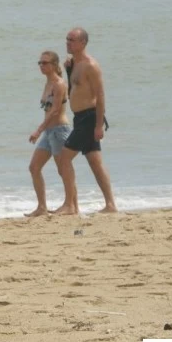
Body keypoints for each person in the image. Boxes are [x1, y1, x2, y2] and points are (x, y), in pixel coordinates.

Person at [59, 28, 118, 213]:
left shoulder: (90, 65)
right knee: (95, 162)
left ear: (83, 43)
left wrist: (99, 125)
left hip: (89, 118)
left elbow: (100, 96)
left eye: (72, 40)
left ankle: (70, 204)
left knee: (63, 158)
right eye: (67, 39)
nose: (68, 43)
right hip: (79, 118)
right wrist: (67, 69)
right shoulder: (72, 64)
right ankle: (110, 205)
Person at [26, 51, 76, 217]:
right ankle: (41, 207)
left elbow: (55, 111)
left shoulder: (59, 84)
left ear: (55, 65)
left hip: (59, 131)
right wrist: (43, 131)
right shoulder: (48, 83)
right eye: (40, 63)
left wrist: (38, 130)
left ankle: (71, 206)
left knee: (64, 170)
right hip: (49, 132)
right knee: (34, 167)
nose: (42, 66)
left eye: (45, 63)